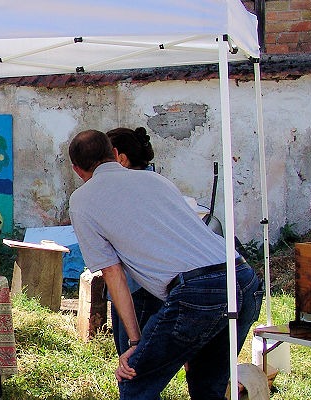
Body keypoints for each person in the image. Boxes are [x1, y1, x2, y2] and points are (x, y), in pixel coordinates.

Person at [66, 129, 263, 399]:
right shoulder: (156, 180)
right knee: (208, 386)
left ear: (77, 170)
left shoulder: (81, 201)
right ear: (114, 154)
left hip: (196, 290)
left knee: (135, 380)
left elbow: (113, 274)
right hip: (242, 276)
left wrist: (135, 341)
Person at [104, 127, 165, 358]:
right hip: (136, 284)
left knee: (134, 360)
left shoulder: (133, 188)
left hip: (138, 285)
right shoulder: (153, 182)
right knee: (132, 357)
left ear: (121, 158)